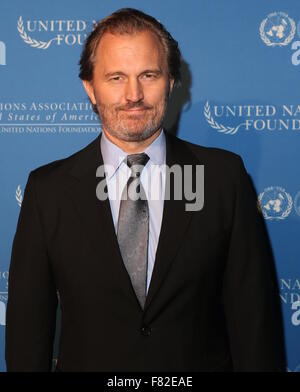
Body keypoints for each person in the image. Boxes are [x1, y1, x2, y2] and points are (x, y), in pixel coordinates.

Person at [5, 8, 286, 372]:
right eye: (116, 77)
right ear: (90, 87)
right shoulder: (48, 191)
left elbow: (254, 323)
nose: (133, 94)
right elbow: (28, 337)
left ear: (170, 82)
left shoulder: (223, 178)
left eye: (148, 75)